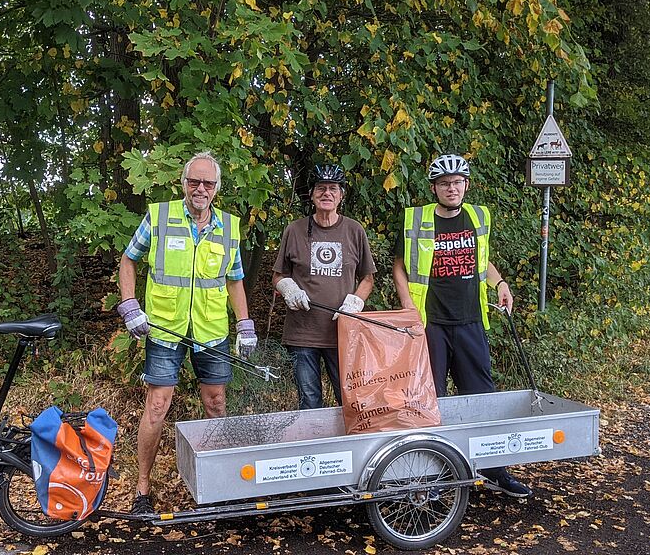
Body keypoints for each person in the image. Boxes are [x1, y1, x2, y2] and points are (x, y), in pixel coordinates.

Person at [117, 151, 257, 515]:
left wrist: (244, 323)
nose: (200, 188)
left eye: (207, 183)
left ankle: (221, 487)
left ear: (216, 188)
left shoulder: (228, 227)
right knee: (157, 407)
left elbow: (235, 279)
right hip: (164, 329)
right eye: (194, 181)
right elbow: (128, 259)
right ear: (183, 183)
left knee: (216, 405)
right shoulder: (160, 217)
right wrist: (130, 304)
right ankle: (143, 491)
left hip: (210, 331)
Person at [392, 153, 533, 499]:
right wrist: (408, 307)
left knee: (482, 399)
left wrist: (500, 284)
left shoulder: (478, 217)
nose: (451, 188)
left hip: (470, 322)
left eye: (457, 183)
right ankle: (434, 476)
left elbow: (483, 263)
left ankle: (495, 471)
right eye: (444, 183)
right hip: (432, 325)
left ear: (466, 185)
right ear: (434, 188)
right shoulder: (416, 220)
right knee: (432, 402)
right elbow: (399, 266)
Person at [272, 164, 377, 409]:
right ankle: (314, 448)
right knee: (309, 402)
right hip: (303, 334)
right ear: (311, 194)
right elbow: (278, 275)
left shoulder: (354, 230)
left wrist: (355, 303)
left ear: (341, 195)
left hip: (342, 333)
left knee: (349, 401)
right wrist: (289, 288)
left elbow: (368, 278)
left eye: (333, 188)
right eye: (321, 188)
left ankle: (350, 447)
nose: (326, 193)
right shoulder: (295, 230)